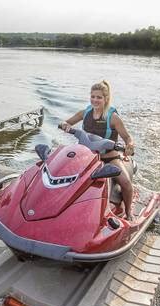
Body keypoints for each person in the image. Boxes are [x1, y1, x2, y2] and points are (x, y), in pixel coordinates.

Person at [61, 80, 135, 220]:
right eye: (93, 96)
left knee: (125, 183)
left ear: (106, 99)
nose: (95, 100)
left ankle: (129, 213)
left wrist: (130, 145)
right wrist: (65, 125)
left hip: (109, 159)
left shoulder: (113, 118)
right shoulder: (85, 113)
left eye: (99, 97)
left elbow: (127, 137)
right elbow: (68, 122)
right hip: (86, 157)